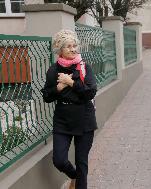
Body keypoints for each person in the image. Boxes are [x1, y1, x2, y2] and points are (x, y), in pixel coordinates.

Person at [41, 29, 97, 189]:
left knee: (81, 162)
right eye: (68, 46)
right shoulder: (53, 70)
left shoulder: (84, 67)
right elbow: (46, 96)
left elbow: (90, 92)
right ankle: (74, 176)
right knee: (58, 159)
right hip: (63, 119)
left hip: (84, 118)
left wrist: (71, 82)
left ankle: (79, 181)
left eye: (74, 45)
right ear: (60, 50)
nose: (73, 49)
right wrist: (58, 88)